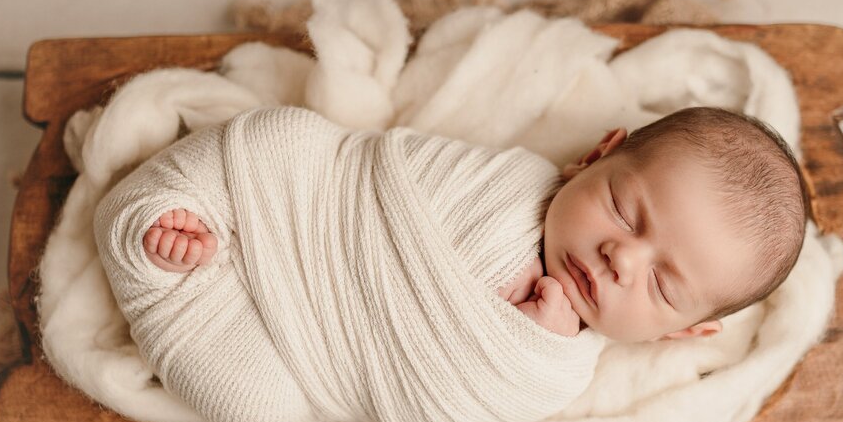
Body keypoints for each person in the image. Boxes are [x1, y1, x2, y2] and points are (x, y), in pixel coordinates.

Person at [139, 106, 808, 343]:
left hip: (310, 342)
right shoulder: (510, 184)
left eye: (662, 288)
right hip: (309, 209)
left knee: (248, 402)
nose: (620, 259)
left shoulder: (561, 370)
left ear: (682, 332)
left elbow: (461, 404)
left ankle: (187, 272)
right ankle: (189, 223)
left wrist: (532, 345)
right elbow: (367, 174)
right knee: (280, 137)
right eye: (625, 212)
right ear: (598, 155)